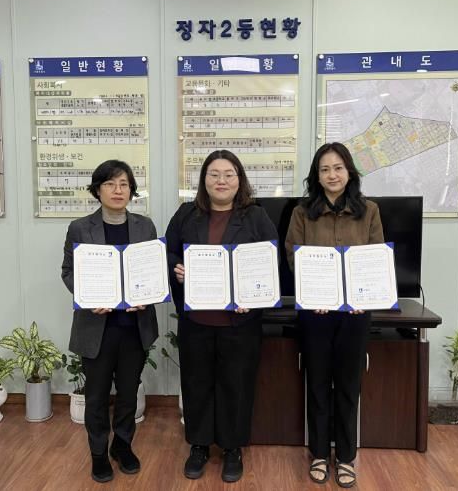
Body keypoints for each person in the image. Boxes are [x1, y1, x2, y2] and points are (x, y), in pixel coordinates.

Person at [165, 149, 278, 483]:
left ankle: (232, 449)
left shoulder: (256, 217)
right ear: (204, 180)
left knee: (236, 386)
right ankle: (199, 446)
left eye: (229, 174)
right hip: (197, 321)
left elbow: (270, 263)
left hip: (239, 323)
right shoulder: (186, 214)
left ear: (239, 180)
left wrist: (253, 297)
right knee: (196, 384)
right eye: (214, 174)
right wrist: (177, 268)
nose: (221, 181)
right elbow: (168, 251)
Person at [285, 142, 384, 488]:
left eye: (338, 168)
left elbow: (375, 258)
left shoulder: (369, 211)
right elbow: (293, 256)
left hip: (355, 313)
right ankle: (317, 454)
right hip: (315, 312)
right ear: (317, 175)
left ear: (349, 172)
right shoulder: (302, 213)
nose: (332, 175)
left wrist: (363, 295)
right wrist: (314, 293)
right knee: (317, 383)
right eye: (325, 169)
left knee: (347, 385)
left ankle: (345, 456)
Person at [61, 160, 158, 483]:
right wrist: (89, 298)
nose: (118, 191)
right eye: (110, 184)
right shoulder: (80, 228)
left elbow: (152, 272)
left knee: (129, 394)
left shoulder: (145, 226)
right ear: (97, 190)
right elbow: (68, 272)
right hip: (97, 329)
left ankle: (123, 446)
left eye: (124, 184)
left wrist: (148, 295)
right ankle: (99, 453)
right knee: (97, 397)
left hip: (134, 327)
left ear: (132, 191)